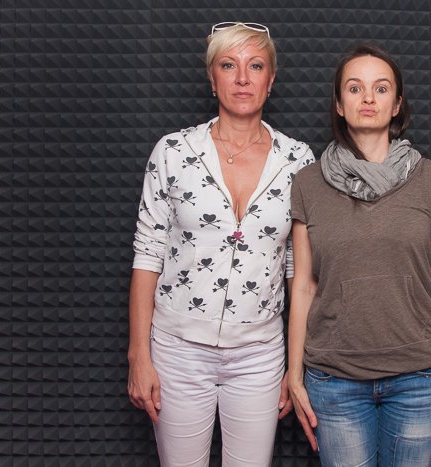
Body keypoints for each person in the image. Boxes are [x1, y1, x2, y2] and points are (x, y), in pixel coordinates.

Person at [127, 22, 314, 466]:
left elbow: (299, 270)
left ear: (271, 79)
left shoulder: (298, 160)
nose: (243, 78)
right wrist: (138, 356)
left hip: (259, 355)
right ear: (212, 79)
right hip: (176, 350)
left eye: (256, 66)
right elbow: (148, 253)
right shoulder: (173, 151)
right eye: (229, 66)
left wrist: (296, 367)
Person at [287, 44, 431, 467]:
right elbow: (304, 286)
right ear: (339, 104)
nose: (368, 98)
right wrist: (294, 374)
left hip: (421, 378)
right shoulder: (308, 184)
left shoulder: (430, 177)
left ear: (397, 104)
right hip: (335, 381)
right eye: (355, 88)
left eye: (381, 88)